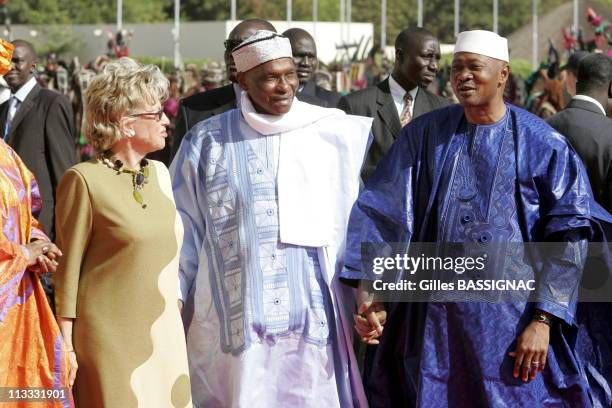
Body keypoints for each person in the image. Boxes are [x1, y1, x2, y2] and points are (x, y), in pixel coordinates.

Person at [340, 30, 610, 407]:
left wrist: (544, 320)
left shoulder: (543, 144)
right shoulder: (425, 135)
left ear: (502, 74)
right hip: (435, 328)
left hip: (515, 331)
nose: (462, 76)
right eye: (457, 69)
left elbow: (570, 237)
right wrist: (375, 290)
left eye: (474, 68)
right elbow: (384, 211)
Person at [171, 30, 372, 407]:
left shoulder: (329, 132)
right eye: (270, 77)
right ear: (241, 79)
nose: (284, 86)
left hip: (314, 324)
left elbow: (355, 218)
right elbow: (183, 229)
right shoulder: (208, 141)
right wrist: (174, 298)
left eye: (290, 74)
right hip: (237, 325)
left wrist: (367, 291)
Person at [54, 58, 191, 407]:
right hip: (107, 344)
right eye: (156, 113)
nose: (166, 120)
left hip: (166, 335)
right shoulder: (84, 180)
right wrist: (65, 348)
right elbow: (66, 275)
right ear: (124, 122)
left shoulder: (161, 174)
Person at [0, 39, 72, 407]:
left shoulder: (7, 155)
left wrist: (43, 242)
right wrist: (19, 254)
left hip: (21, 301)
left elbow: (38, 198)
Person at [170, 19, 325, 162]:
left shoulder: (317, 114)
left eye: (244, 47)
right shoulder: (194, 110)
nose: (233, 54)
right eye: (230, 46)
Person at [338, 27, 449, 179]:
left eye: (437, 58)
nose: (434, 65)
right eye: (427, 56)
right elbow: (343, 167)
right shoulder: (355, 105)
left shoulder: (442, 109)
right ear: (400, 56)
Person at [0, 40, 75, 240]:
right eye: (7, 61)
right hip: (8, 223)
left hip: (41, 222)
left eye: (17, 61)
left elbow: (63, 171)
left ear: (33, 65)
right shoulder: (3, 109)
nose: (11, 67)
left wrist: (61, 228)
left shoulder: (51, 103)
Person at [548, 53, 612, 211]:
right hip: (600, 233)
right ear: (611, 88)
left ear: (577, 85)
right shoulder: (609, 133)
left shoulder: (543, 126)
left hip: (547, 233)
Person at [283, 27, 341, 107]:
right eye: (299, 56)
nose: (306, 63)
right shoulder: (266, 97)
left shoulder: (331, 101)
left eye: (311, 57)